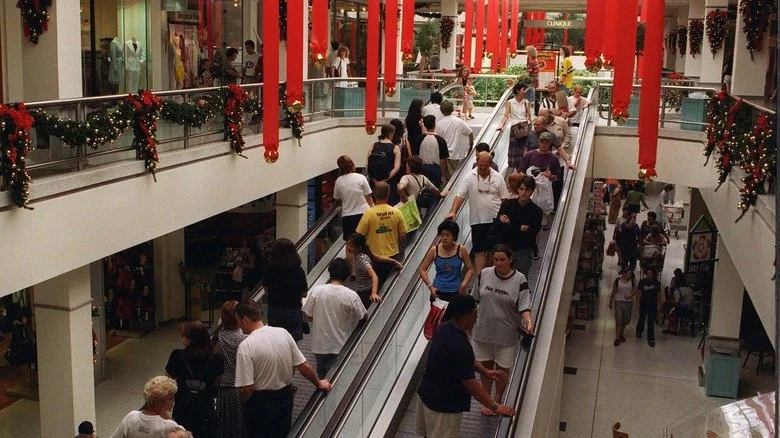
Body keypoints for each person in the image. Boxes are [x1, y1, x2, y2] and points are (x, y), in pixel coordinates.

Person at [415, 295, 516, 437]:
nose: (477, 316)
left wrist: (485, 371)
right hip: (444, 407)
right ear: (464, 318)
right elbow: (471, 384)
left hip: (426, 395)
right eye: (475, 312)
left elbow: (462, 361)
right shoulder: (460, 345)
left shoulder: (444, 328)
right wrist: (494, 406)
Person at [234, 300, 331, 437]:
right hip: (285, 397)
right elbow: (303, 365)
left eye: (238, 321)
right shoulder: (283, 333)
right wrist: (318, 382)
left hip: (260, 403)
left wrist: (244, 402)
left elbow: (247, 388)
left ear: (244, 319)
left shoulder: (246, 346)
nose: (238, 326)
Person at [470, 245, 534, 416]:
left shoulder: (520, 280)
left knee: (502, 369)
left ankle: (497, 399)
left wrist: (528, 322)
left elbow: (524, 306)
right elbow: (474, 299)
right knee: (485, 366)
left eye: (502, 260)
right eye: (496, 259)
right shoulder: (484, 274)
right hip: (483, 330)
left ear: (510, 259)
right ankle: (488, 399)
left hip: (506, 334)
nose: (499, 263)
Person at [446, 151, 510, 273]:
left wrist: (505, 216)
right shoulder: (469, 176)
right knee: (479, 251)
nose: (482, 167)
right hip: (477, 220)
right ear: (477, 162)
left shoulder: (497, 177)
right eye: (480, 164)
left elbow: (504, 199)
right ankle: (481, 276)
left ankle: (492, 274)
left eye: (486, 165)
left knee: (494, 251)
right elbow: (460, 196)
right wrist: (453, 211)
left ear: (490, 164)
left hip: (495, 220)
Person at [302, 258, 367, 378]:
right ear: (347, 275)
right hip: (341, 344)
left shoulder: (317, 291)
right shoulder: (351, 295)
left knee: (323, 376)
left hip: (319, 344)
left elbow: (308, 316)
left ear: (330, 272)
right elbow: (363, 316)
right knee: (339, 378)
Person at [165, 321, 224, 436]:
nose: (182, 339)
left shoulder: (177, 356)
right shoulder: (216, 359)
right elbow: (218, 384)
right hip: (205, 408)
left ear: (191, 339)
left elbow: (167, 382)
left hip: (182, 407)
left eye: (184, 337)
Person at [356, 182, 407, 284]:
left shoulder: (369, 213)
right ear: (388, 194)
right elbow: (403, 235)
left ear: (374, 195)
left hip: (374, 256)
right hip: (392, 254)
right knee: (391, 284)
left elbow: (359, 235)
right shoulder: (396, 212)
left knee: (376, 283)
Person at [494, 174, 543, 275]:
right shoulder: (507, 205)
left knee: (520, 283)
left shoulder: (536, 211)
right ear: (517, 189)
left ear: (532, 191)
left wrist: (509, 224)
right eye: (521, 189)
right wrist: (520, 228)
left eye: (527, 190)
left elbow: (531, 234)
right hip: (505, 250)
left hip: (523, 251)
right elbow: (498, 227)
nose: (523, 193)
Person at [261, 238, 308, 342]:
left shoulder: (270, 269)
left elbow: (266, 290)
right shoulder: (298, 270)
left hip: (275, 309)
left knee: (276, 340)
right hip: (293, 310)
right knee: (292, 342)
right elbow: (304, 294)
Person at [418, 220, 475, 302]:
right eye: (442, 235)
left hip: (456, 291)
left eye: (448, 235)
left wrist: (464, 284)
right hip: (438, 291)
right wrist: (430, 286)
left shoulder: (461, 249)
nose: (444, 238)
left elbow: (470, 268)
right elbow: (422, 270)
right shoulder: (434, 250)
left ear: (454, 236)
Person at [111, 376, 185, 438]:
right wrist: (168, 417)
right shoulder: (169, 426)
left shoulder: (131, 417)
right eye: (171, 398)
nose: (173, 402)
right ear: (158, 402)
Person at [344, 232, 402, 307]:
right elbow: (377, 258)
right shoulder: (360, 253)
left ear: (359, 247)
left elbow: (374, 276)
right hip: (361, 288)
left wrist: (373, 293)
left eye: (351, 246)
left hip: (366, 291)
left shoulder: (362, 260)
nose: (348, 247)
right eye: (347, 244)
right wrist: (394, 261)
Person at [215, 301, 247, 438]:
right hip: (243, 387)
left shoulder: (219, 338)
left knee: (225, 427)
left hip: (225, 389)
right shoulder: (245, 338)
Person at [333, 155, 373, 240]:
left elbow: (337, 197)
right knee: (366, 239)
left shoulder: (338, 181)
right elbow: (368, 196)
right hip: (364, 213)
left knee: (351, 242)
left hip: (348, 216)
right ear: (352, 164)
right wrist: (373, 208)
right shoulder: (360, 177)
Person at [497, 83, 532, 174]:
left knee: (523, 149)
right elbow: (506, 115)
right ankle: (513, 170)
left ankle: (521, 169)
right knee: (513, 150)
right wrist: (501, 125)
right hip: (514, 128)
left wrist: (530, 128)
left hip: (524, 128)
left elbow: (529, 117)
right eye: (523, 89)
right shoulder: (510, 102)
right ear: (517, 90)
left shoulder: (526, 103)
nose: (525, 92)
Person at [436, 100, 474, 182]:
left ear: (441, 110)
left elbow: (437, 140)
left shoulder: (439, 124)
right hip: (454, 156)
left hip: (442, 156)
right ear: (452, 109)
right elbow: (470, 132)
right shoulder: (458, 121)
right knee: (453, 181)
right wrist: (470, 145)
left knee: (444, 179)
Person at [367, 124, 402, 204]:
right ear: (390, 134)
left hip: (374, 183)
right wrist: (385, 180)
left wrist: (375, 180)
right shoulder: (395, 147)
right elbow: (397, 168)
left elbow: (367, 164)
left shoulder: (374, 146)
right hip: (389, 182)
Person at [417, 115, 450, 187]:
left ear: (424, 125)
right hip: (435, 169)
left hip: (422, 168)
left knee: (422, 189)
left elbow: (415, 155)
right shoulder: (440, 140)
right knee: (435, 190)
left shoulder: (419, 139)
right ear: (434, 125)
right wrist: (443, 175)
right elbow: (442, 160)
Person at [608, 269, 636, 346]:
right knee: (619, 319)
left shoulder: (632, 281)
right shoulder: (617, 281)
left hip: (628, 303)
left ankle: (621, 334)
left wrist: (630, 295)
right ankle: (617, 338)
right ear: (623, 273)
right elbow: (614, 291)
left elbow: (635, 290)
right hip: (619, 301)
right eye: (628, 273)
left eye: (630, 274)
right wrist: (610, 301)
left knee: (625, 320)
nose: (629, 275)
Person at [635, 269, 661, 347]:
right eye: (648, 273)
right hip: (643, 303)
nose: (649, 275)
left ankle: (651, 338)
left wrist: (660, 303)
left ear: (653, 274)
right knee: (642, 318)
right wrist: (637, 303)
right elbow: (638, 293)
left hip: (653, 304)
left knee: (651, 321)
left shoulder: (656, 283)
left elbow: (658, 293)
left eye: (651, 273)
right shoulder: (642, 282)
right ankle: (639, 330)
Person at [613, 207, 640, 272]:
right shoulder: (623, 224)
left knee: (632, 261)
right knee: (624, 260)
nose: (630, 219)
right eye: (629, 217)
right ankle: (624, 271)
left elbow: (638, 234)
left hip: (633, 246)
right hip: (625, 245)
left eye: (631, 218)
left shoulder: (636, 225)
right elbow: (629, 227)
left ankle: (631, 272)